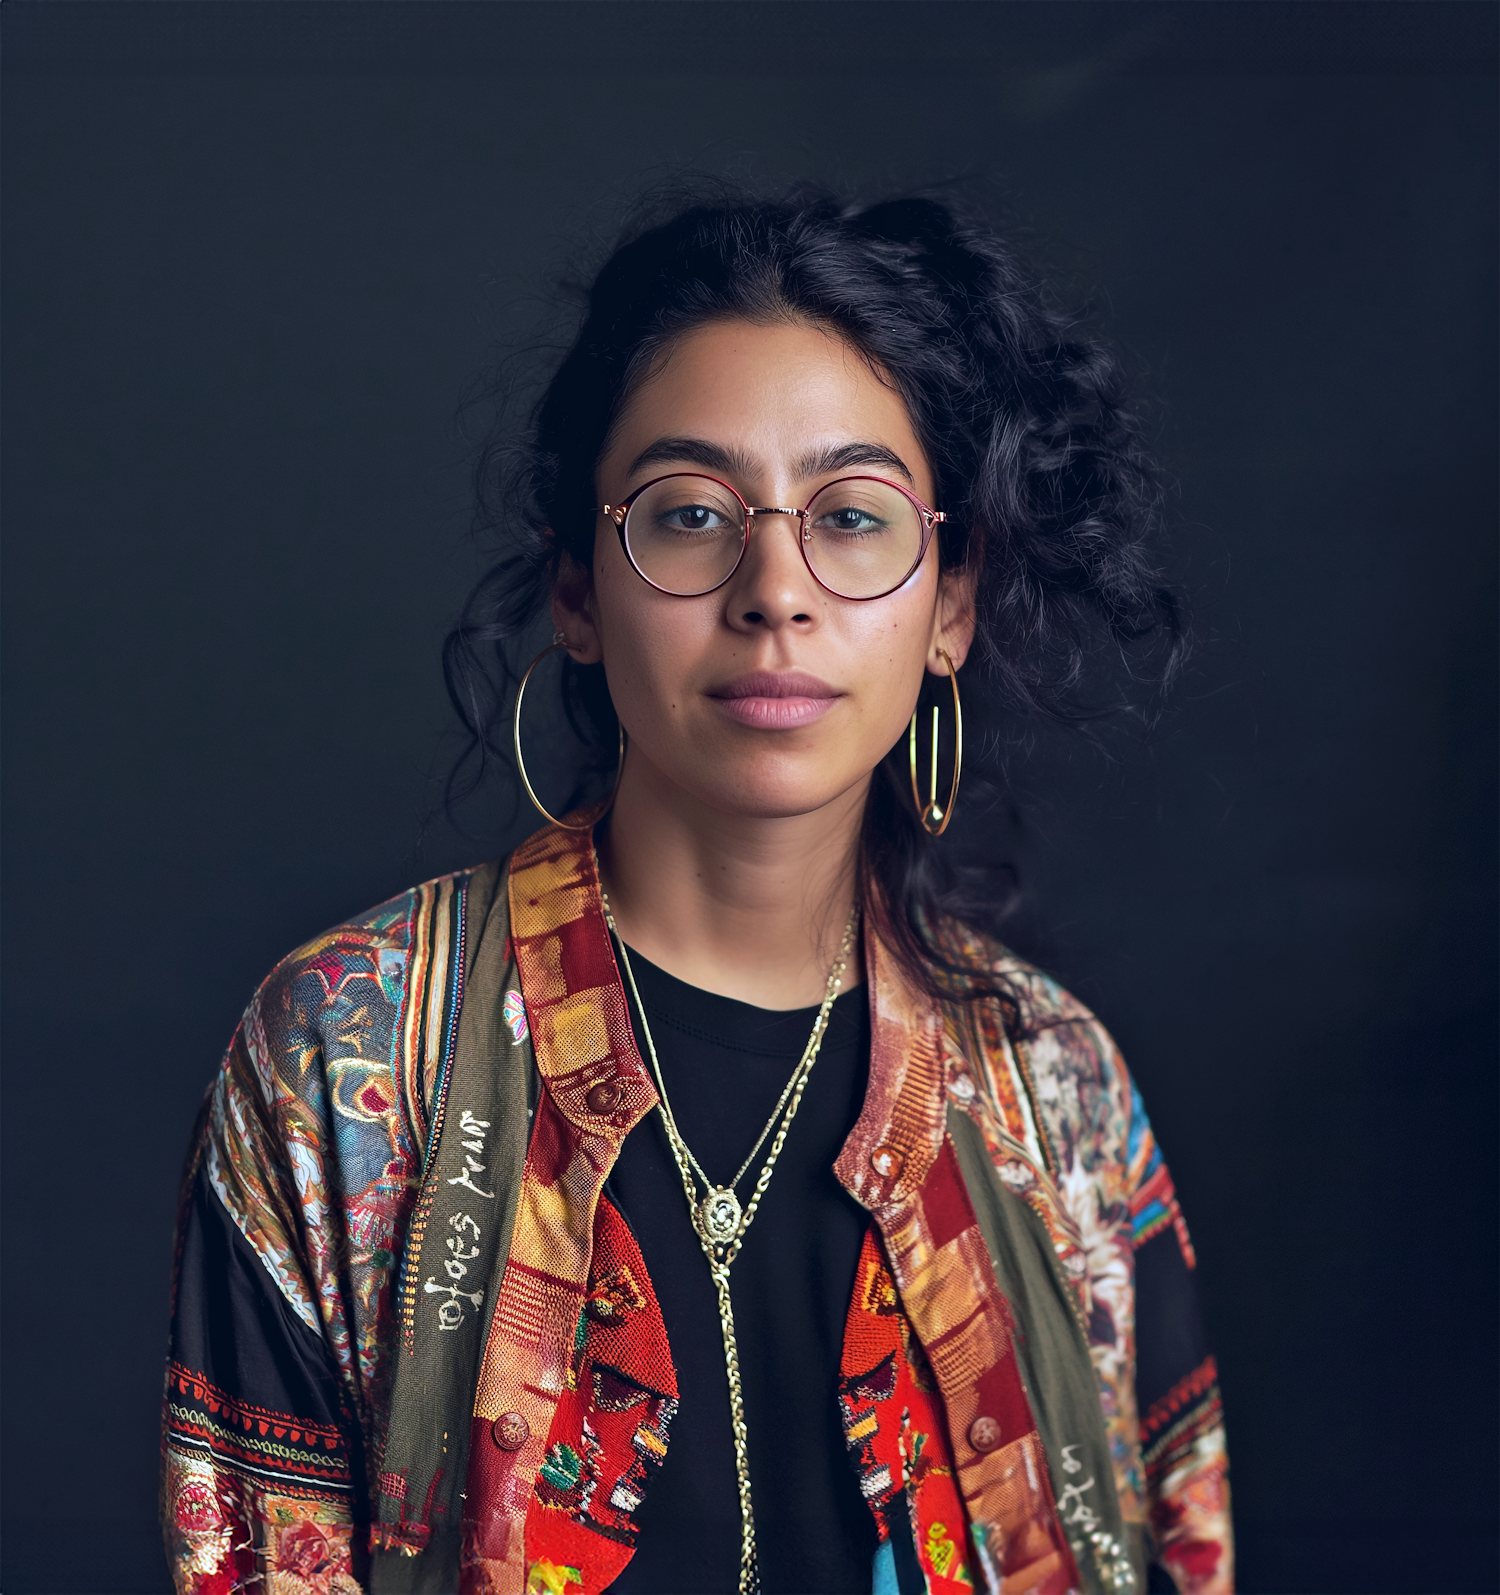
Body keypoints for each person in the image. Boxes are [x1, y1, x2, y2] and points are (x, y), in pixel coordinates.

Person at [161, 192, 1231, 1595]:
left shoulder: (1063, 1094)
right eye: (688, 514)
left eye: (854, 516)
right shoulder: (344, 1056)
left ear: (951, 603)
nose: (774, 588)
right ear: (579, 594)